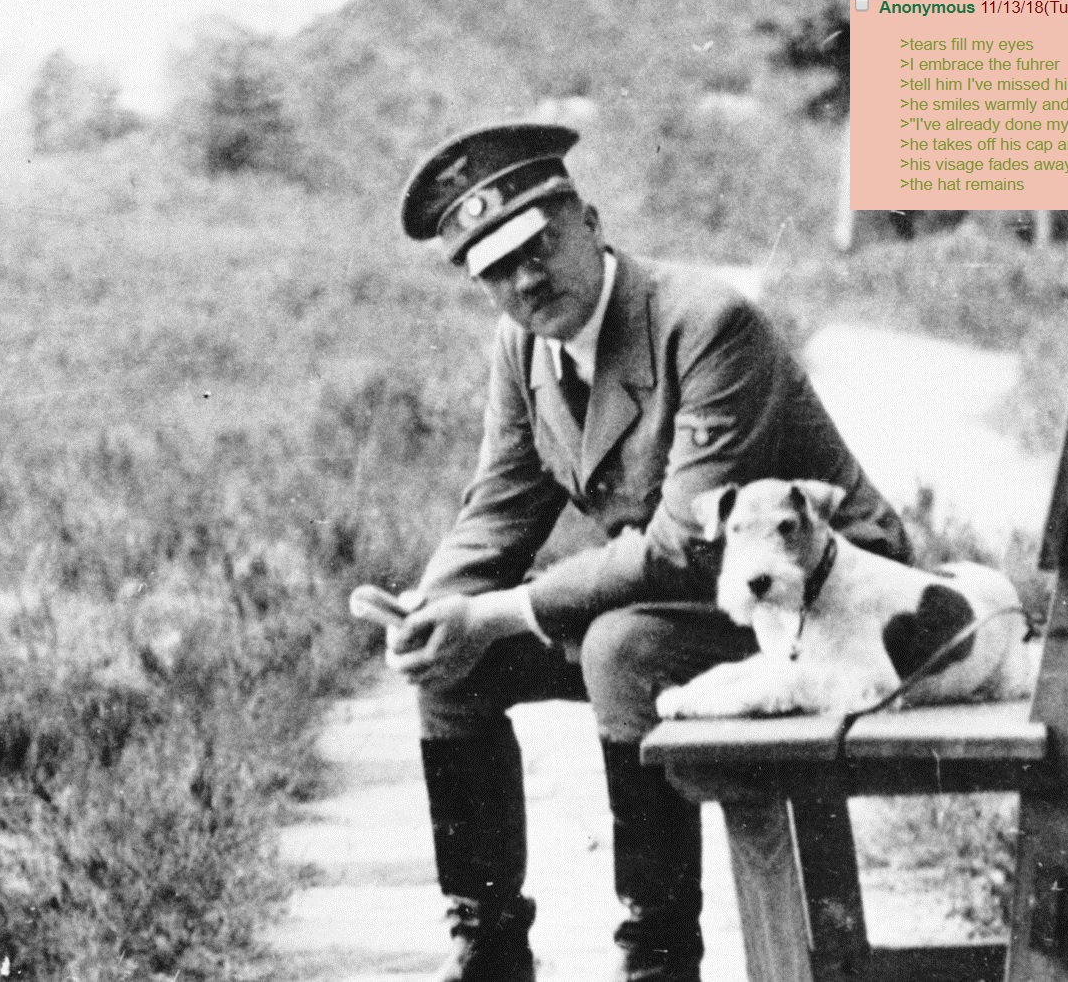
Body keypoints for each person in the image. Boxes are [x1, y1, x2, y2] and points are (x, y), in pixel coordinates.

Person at [389, 121, 911, 982]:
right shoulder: (525, 346)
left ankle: (658, 960)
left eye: (539, 245)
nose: (526, 280)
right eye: (496, 269)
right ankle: (488, 948)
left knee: (621, 647)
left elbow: (679, 548)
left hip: (826, 604)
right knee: (453, 665)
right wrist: (434, 608)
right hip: (706, 606)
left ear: (590, 223)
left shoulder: (705, 322)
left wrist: (500, 611)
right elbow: (499, 510)